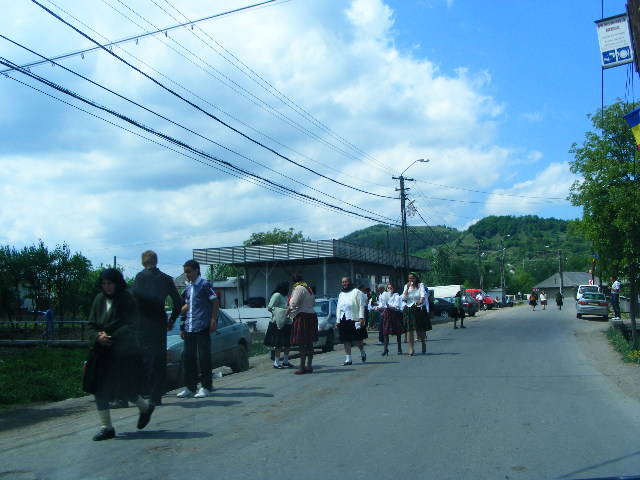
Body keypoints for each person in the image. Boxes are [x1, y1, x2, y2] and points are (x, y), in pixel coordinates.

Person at [85, 268, 154, 441]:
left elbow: (132, 324)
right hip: (101, 351)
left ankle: (145, 408)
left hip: (122, 351)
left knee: (124, 389)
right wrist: (97, 337)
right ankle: (107, 427)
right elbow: (91, 325)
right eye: (104, 284)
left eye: (110, 283)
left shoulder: (126, 299)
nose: (107, 287)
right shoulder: (99, 300)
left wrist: (112, 337)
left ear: (117, 283)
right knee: (99, 388)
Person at [132, 250, 184, 406]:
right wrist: (172, 320)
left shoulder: (140, 277)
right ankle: (157, 395)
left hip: (143, 322)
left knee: (144, 357)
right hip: (160, 322)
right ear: (156, 261)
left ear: (143, 262)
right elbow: (178, 303)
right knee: (159, 358)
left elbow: (133, 299)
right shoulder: (166, 279)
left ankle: (143, 391)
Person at [176, 260, 219, 399]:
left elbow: (215, 301)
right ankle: (190, 387)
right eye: (185, 272)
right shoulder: (188, 288)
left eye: (188, 271)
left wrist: (213, 319)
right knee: (188, 357)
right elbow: (187, 307)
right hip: (190, 327)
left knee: (204, 357)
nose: (187, 274)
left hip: (202, 325)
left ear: (196, 270)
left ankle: (206, 386)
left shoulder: (204, 285)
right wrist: (182, 325)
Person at [287, 274, 318, 374]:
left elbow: (294, 303)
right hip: (311, 315)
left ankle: (302, 367)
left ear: (293, 281)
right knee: (309, 343)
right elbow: (313, 303)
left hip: (302, 316)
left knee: (302, 344)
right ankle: (309, 366)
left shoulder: (298, 288)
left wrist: (288, 310)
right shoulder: (308, 288)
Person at [336, 277, 368, 365]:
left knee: (357, 340)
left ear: (350, 282)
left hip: (354, 318)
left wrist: (361, 318)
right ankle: (348, 359)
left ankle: (362, 351)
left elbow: (361, 305)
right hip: (343, 319)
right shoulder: (341, 294)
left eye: (346, 282)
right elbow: (338, 307)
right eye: (343, 282)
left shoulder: (357, 292)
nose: (344, 284)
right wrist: (337, 320)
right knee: (345, 339)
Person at [402, 272, 432, 355]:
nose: (411, 280)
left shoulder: (420, 285)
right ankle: (411, 348)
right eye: (409, 278)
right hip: (409, 309)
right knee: (409, 329)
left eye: (412, 278)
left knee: (420, 328)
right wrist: (407, 289)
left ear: (415, 278)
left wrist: (420, 301)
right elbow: (404, 298)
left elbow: (423, 295)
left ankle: (423, 343)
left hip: (418, 309)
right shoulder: (406, 286)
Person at [265, 282, 293, 369]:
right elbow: (270, 307)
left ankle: (285, 361)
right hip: (278, 323)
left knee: (287, 343)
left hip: (287, 322)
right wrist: (280, 313)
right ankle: (276, 362)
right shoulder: (277, 295)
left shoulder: (284, 297)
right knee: (278, 344)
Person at [378, 283, 404, 355]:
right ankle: (385, 349)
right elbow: (381, 304)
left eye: (391, 288)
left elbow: (397, 306)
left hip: (394, 315)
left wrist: (388, 306)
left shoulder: (397, 296)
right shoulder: (384, 295)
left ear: (393, 289)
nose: (389, 289)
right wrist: (377, 307)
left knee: (397, 332)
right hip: (386, 314)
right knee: (385, 332)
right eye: (388, 288)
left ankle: (399, 348)